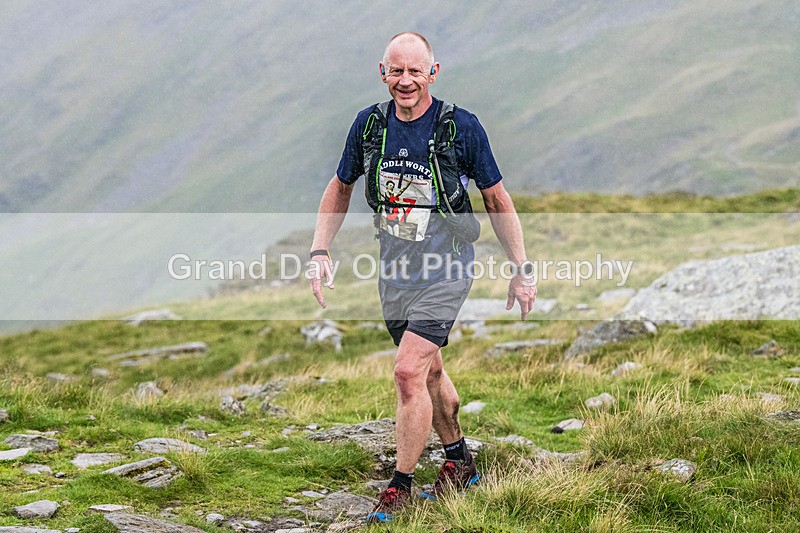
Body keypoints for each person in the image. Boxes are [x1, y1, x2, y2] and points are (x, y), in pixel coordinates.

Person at [309, 32, 536, 523]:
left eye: (416, 71)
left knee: (407, 370)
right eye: (397, 71)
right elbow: (341, 185)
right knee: (429, 370)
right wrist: (319, 249)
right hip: (395, 272)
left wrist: (521, 270)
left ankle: (400, 487)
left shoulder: (461, 127)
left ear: (433, 72)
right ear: (382, 72)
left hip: (447, 267)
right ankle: (459, 462)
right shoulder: (369, 126)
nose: (406, 81)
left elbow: (497, 199)